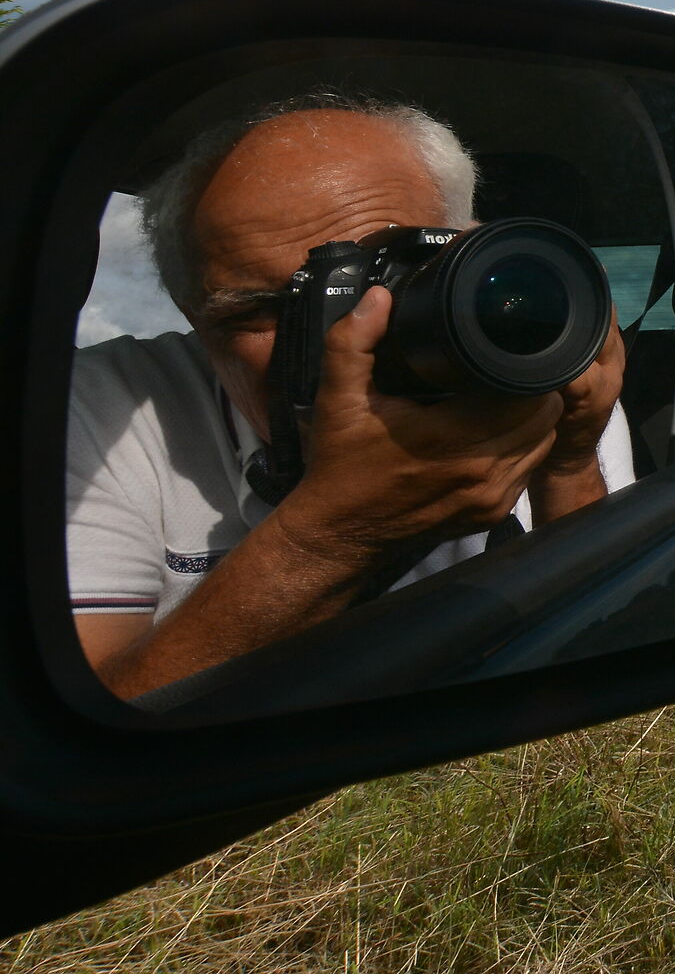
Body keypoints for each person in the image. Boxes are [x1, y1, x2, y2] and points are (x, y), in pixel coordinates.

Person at [66, 95, 631, 700]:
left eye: (381, 279)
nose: (338, 338)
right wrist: (333, 536)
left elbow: (600, 669)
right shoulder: (103, 413)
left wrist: (567, 467)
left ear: (462, 249)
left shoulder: (529, 373)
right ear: (195, 318)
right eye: (264, 310)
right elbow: (83, 735)